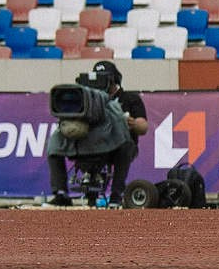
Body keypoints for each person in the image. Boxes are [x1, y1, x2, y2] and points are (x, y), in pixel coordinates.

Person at [46, 59, 146, 206]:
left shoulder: (130, 98)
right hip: (86, 143)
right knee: (54, 145)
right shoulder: (86, 98)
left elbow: (143, 127)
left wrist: (131, 123)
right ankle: (61, 193)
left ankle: (116, 195)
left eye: (105, 78)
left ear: (114, 79)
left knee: (126, 147)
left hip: (116, 149)